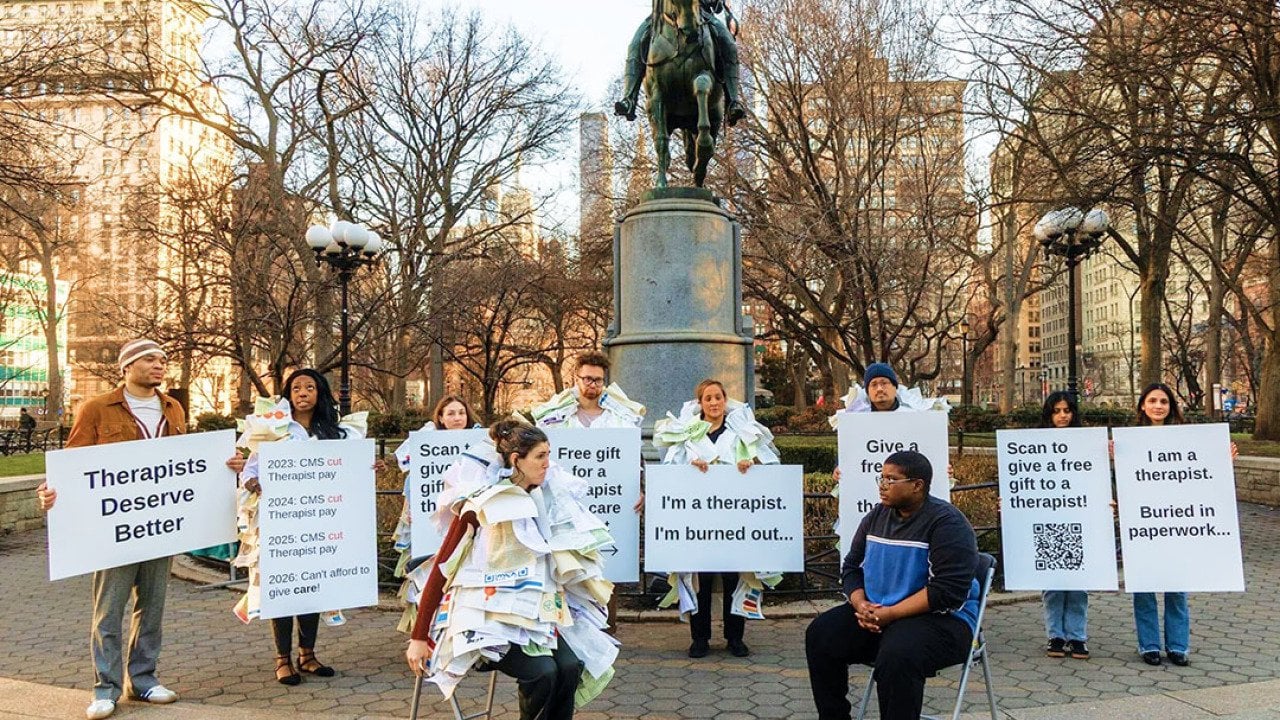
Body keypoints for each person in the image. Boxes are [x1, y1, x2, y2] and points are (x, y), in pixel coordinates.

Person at [34, 339, 246, 720]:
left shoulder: (173, 408)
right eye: (149, 359)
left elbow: (185, 464)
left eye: (162, 359)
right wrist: (51, 492)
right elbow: (73, 465)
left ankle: (144, 679)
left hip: (159, 528)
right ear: (127, 366)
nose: (159, 365)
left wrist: (225, 465)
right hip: (115, 529)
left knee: (152, 607)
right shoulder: (97, 409)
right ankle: (105, 688)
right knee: (109, 610)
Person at [405, 419, 619, 720]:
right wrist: (418, 637)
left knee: (571, 667)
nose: (547, 463)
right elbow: (442, 568)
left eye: (549, 455)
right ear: (517, 460)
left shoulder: (548, 500)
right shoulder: (481, 504)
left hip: (537, 613)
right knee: (544, 673)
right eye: (540, 456)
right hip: (487, 618)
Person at [805, 450, 980, 720]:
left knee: (898, 654)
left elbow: (947, 592)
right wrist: (862, 605)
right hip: (880, 614)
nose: (883, 485)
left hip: (943, 621)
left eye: (891, 479)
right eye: (881, 478)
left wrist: (891, 614)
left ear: (917, 485)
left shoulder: (947, 523)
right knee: (821, 634)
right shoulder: (876, 516)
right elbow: (851, 567)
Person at [232, 368, 367, 685]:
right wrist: (250, 481)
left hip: (320, 521)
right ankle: (283, 658)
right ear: (288, 395)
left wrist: (370, 465)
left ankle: (308, 655)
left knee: (312, 587)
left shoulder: (335, 433)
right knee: (283, 586)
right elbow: (251, 469)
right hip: (281, 523)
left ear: (320, 393)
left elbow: (353, 469)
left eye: (309, 387)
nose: (302, 393)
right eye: (296, 388)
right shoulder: (273, 429)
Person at [652, 378, 780, 658]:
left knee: (735, 577)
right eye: (708, 398)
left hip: (733, 521)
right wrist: (689, 467)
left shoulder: (740, 434)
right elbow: (670, 470)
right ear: (700, 403)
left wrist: (749, 465)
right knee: (701, 579)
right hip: (697, 521)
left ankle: (735, 637)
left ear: (725, 400)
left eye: (718, 397)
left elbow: (765, 467)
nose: (713, 403)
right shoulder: (686, 436)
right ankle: (700, 638)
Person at [1126, 382, 1235, 667]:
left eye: (1164, 401)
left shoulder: (1188, 439)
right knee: (1144, 587)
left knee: (1176, 588)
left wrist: (1223, 458)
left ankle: (1178, 646)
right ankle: (1149, 645)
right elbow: (1120, 481)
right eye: (1152, 401)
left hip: (1177, 524)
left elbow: (1203, 474)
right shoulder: (1128, 442)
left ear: (1171, 407)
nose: (1158, 406)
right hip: (1144, 524)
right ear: (1142, 405)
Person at [389, 394, 482, 634]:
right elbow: (414, 477)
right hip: (430, 523)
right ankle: (426, 631)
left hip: (466, 520)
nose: (457, 418)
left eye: (461, 413)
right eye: (451, 413)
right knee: (430, 575)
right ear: (440, 417)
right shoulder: (426, 443)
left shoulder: (481, 443)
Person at [614, 0, 745, 125]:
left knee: (729, 46)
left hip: (701, 14)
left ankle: (733, 101)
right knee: (635, 45)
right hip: (663, 14)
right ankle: (629, 98)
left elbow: (718, 6)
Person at [1036, 391, 1091, 660]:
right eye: (1057, 411)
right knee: (1054, 585)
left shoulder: (1086, 443)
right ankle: (1055, 635)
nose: (1062, 416)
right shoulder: (1035, 445)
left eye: (1067, 411)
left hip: (1079, 519)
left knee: (1078, 585)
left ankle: (1077, 636)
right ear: (1049, 415)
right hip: (1049, 521)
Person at [830, 362, 950, 481]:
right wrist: (838, 468)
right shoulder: (855, 421)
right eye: (874, 384)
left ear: (895, 387)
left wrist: (942, 469)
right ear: (867, 391)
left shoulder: (917, 417)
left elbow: (930, 451)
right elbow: (848, 452)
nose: (879, 389)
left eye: (884, 383)